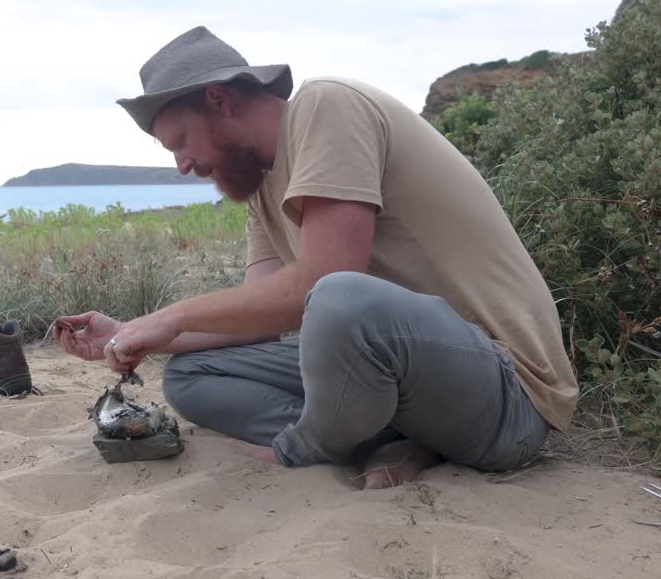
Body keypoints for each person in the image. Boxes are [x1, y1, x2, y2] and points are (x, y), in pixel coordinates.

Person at [53, 26, 578, 489]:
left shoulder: (327, 105)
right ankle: (392, 441)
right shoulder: (260, 188)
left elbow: (330, 278)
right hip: (415, 382)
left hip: (507, 395)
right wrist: (133, 330)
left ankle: (311, 444)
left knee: (337, 296)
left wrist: (171, 315)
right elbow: (255, 319)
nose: (183, 165)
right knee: (190, 375)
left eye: (181, 142)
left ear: (219, 99)